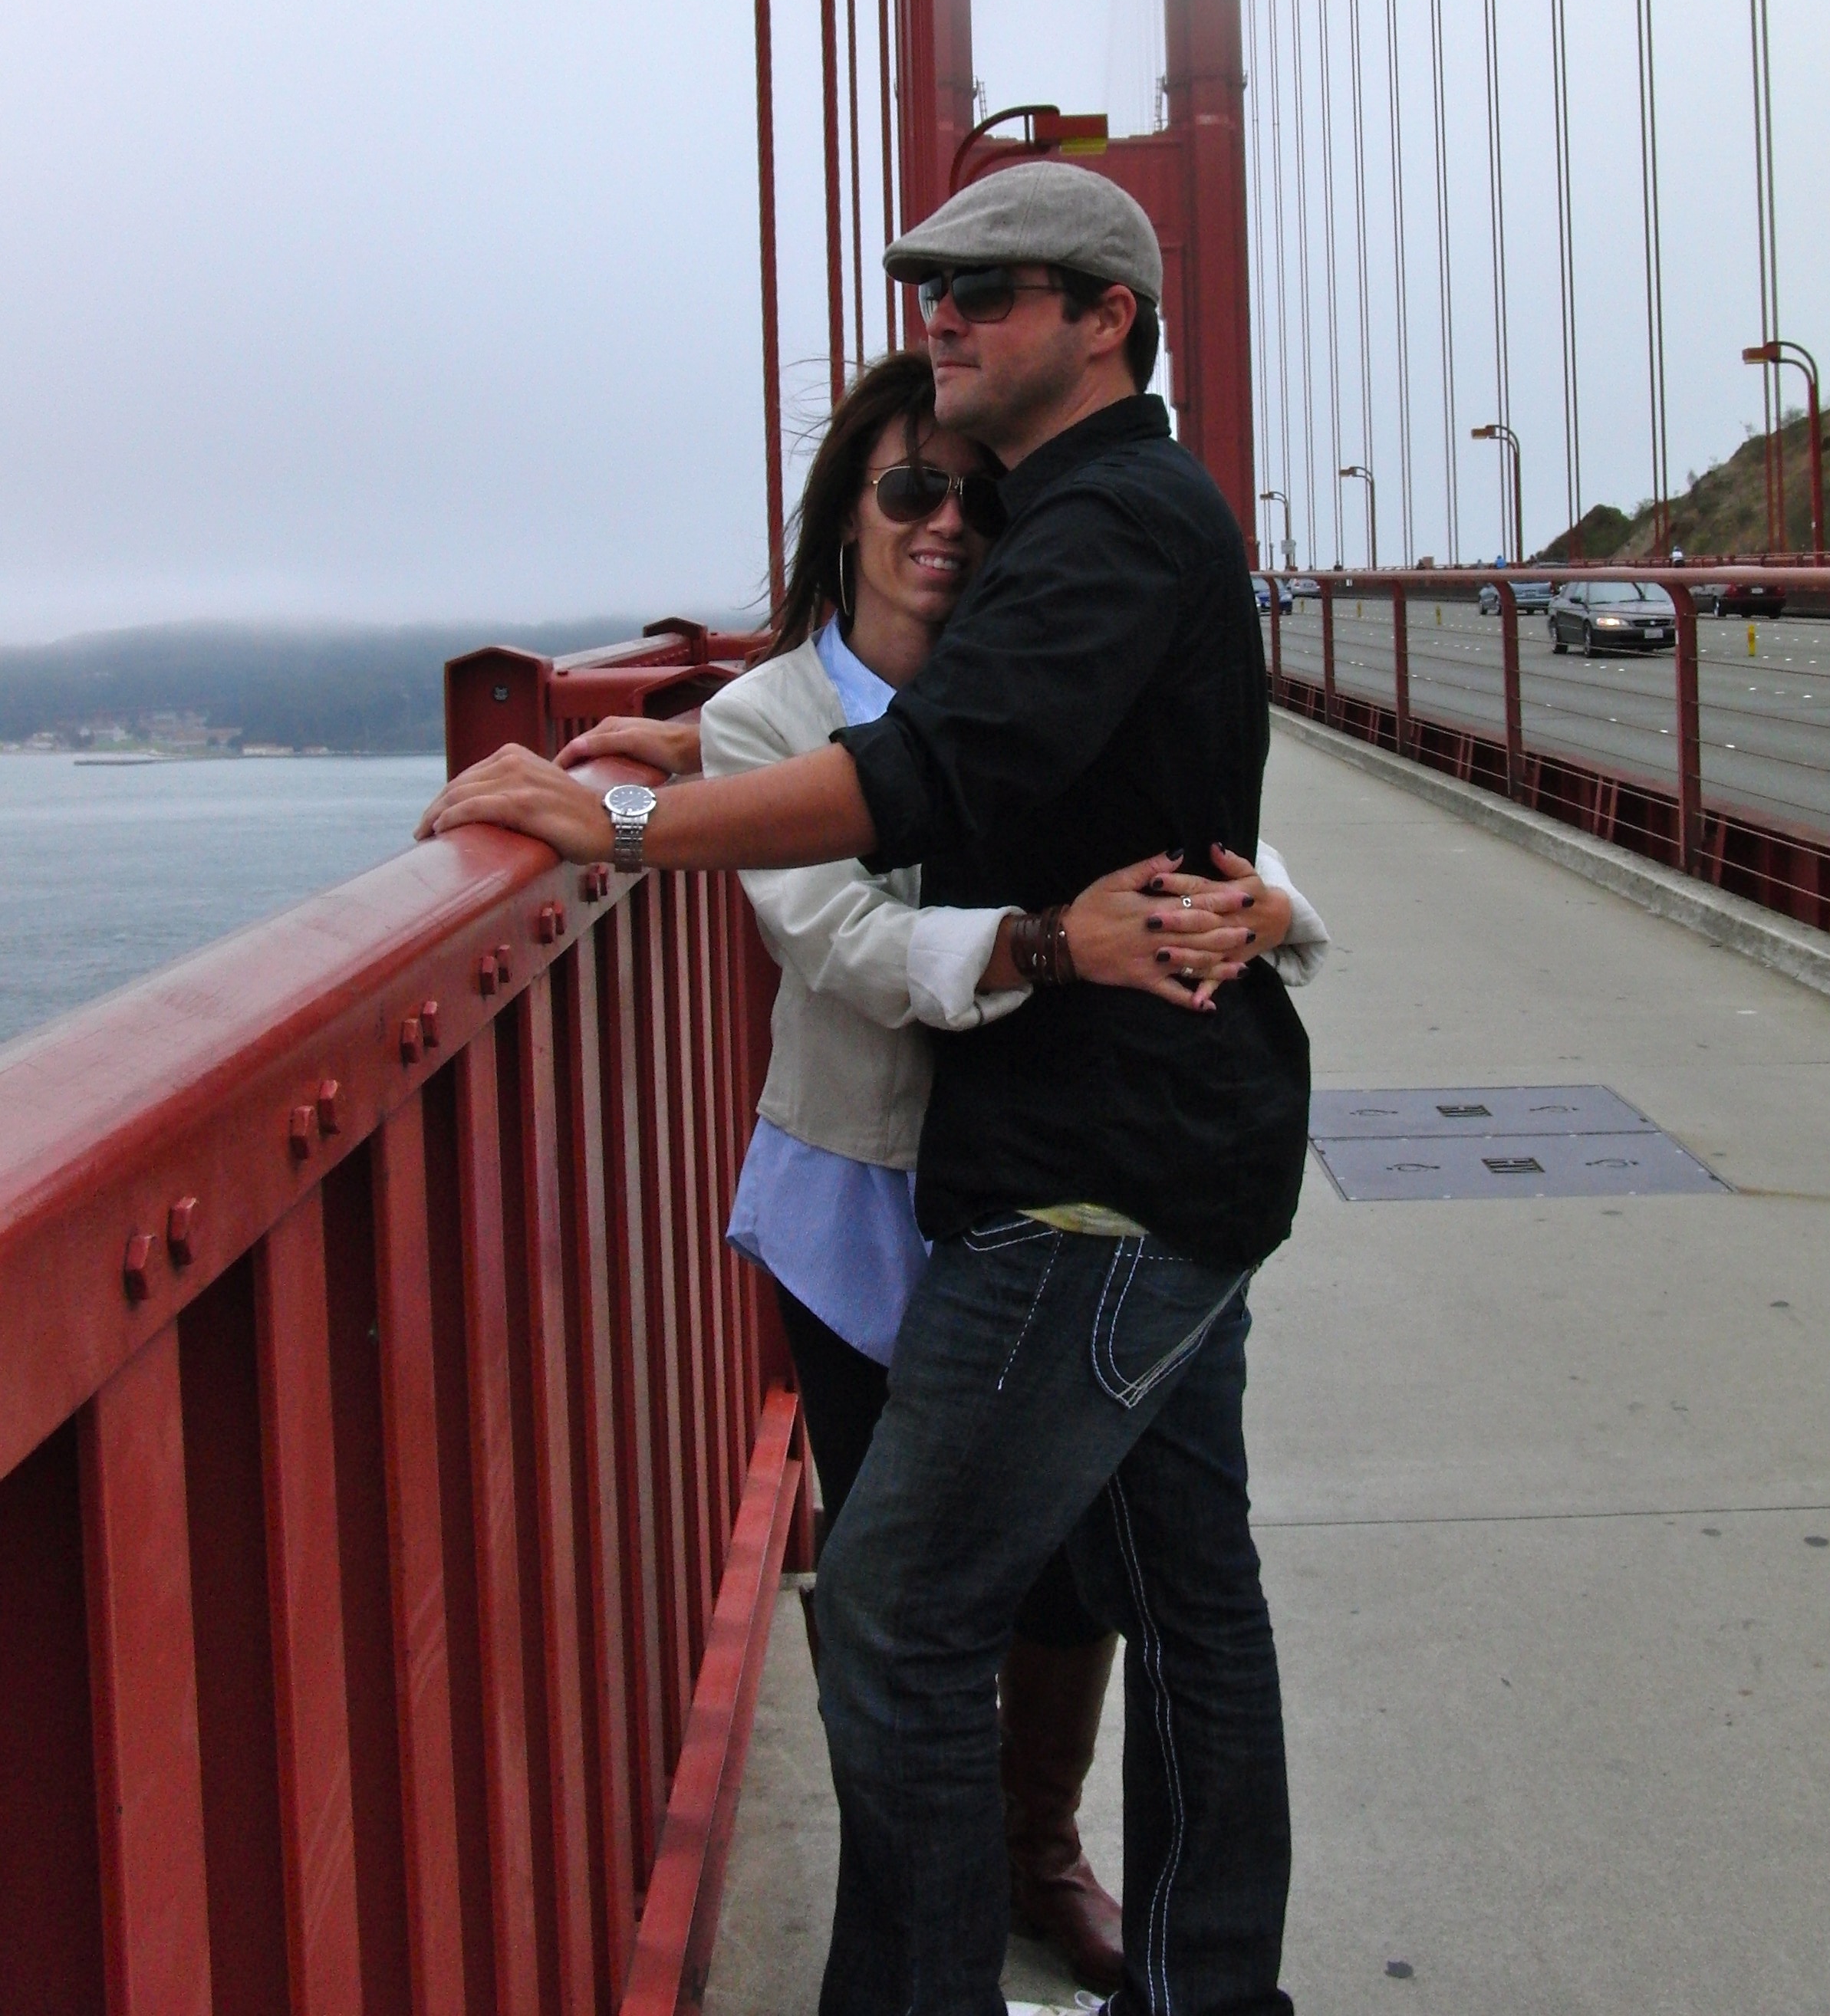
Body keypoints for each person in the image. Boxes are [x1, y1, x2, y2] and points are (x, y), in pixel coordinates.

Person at [420, 158, 1315, 2016]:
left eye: (987, 291)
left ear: (1107, 322)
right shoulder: (1102, 525)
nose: (943, 318)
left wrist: (626, 823)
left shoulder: (1105, 524)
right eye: (930, 292)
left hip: (1095, 1174)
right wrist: (709, 736)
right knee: (1187, 1596)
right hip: (1120, 1158)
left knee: (904, 1609)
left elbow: (927, 772)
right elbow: (951, 756)